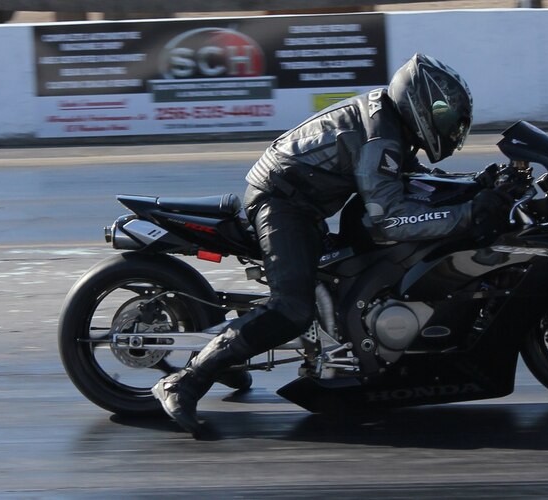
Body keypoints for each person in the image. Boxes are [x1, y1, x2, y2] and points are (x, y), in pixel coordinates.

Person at [151, 53, 512, 436]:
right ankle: (184, 382)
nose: (449, 126)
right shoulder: (381, 133)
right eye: (442, 113)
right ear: (420, 101)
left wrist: (477, 183)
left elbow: (411, 181)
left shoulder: (392, 123)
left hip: (306, 200)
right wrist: (471, 213)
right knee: (291, 309)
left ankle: (240, 356)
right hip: (282, 202)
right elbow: (390, 214)